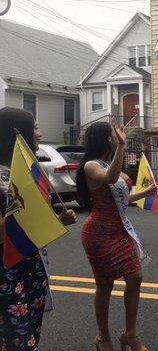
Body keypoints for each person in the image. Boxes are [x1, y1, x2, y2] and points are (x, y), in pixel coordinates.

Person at [76, 120, 157, 351]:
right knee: (105, 285)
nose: (117, 135)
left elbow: (120, 200)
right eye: (114, 134)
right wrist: (122, 146)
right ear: (105, 138)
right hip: (98, 233)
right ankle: (104, 337)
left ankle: (130, 334)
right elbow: (110, 179)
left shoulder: (109, 163)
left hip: (119, 230)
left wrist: (145, 192)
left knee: (135, 277)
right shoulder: (92, 166)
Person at [0, 107, 76, 351]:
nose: (40, 134)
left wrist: (58, 221)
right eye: (34, 128)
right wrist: (21, 212)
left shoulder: (29, 172)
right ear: (16, 134)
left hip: (33, 267)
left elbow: (36, 226)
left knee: (31, 332)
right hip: (7, 273)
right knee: (20, 343)